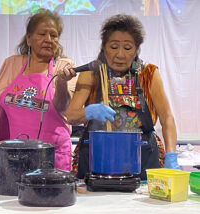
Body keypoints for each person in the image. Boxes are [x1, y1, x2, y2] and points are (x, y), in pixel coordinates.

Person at [65, 14, 180, 180]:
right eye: (113, 47)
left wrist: (171, 155)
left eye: (127, 48)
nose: (120, 54)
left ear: (136, 50)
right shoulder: (91, 74)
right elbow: (71, 115)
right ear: (104, 47)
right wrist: (88, 112)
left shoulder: (148, 74)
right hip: (97, 156)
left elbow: (167, 117)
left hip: (142, 155)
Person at [0, 9, 77, 171]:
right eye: (42, 34)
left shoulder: (64, 66)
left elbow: (63, 108)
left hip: (51, 158)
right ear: (29, 39)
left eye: (54, 35)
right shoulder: (11, 64)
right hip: (13, 157)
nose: (48, 40)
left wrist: (62, 84)